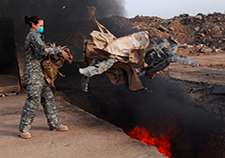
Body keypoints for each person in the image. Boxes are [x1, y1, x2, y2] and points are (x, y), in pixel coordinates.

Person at [18, 15, 69, 139]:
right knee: (33, 99)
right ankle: (23, 129)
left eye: (42, 25)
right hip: (33, 71)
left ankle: (54, 124)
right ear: (33, 25)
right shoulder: (33, 35)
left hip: (41, 71)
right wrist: (59, 51)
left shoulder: (38, 36)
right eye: (40, 25)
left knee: (48, 97)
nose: (42, 28)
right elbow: (42, 50)